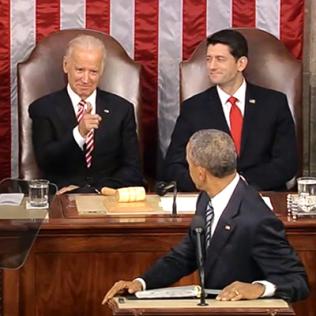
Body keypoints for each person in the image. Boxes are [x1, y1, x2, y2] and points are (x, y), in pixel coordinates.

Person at [103, 129, 309, 304]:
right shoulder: (206, 198)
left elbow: (297, 280)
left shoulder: (257, 219)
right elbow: (188, 253)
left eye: (188, 164)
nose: (187, 169)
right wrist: (140, 283)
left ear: (201, 173)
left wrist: (259, 289)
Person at [164, 29, 298, 192]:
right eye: (209, 59)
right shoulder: (193, 108)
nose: (212, 66)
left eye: (220, 59)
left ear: (241, 63)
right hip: (210, 197)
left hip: (261, 195)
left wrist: (238, 184)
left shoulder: (274, 103)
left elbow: (286, 164)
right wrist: (212, 185)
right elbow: (173, 166)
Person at [29, 35, 143, 193]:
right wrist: (79, 134)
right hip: (63, 200)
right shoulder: (43, 108)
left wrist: (94, 190)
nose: (86, 79)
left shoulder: (122, 109)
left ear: (101, 71)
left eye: (93, 72)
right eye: (80, 70)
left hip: (107, 198)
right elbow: (46, 161)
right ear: (66, 65)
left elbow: (133, 169)